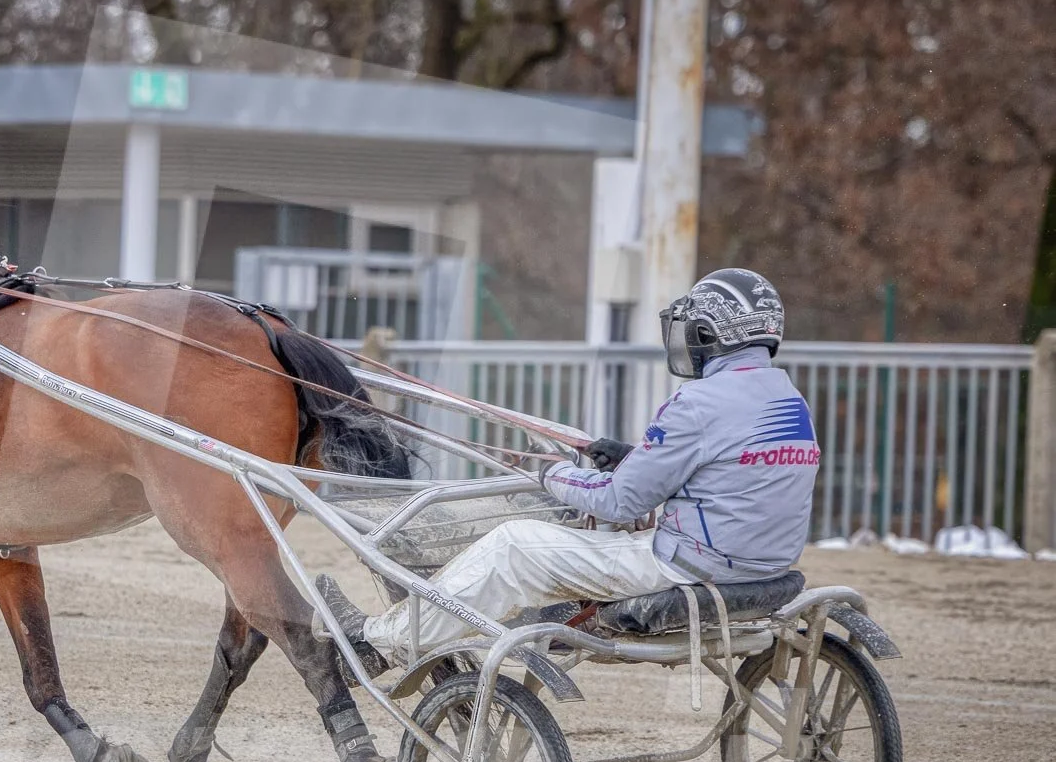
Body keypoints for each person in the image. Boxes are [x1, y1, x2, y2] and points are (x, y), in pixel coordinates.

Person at [317, 267, 821, 674]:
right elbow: (731, 476)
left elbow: (617, 502)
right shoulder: (788, 399)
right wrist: (634, 458)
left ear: (707, 334)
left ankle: (383, 642)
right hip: (765, 566)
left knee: (513, 544)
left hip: (688, 566)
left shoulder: (697, 402)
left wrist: (552, 473)